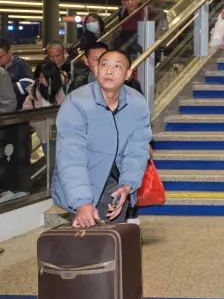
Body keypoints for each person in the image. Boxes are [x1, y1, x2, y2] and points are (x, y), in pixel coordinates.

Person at [51, 50, 152, 227]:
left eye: (117, 66)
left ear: (128, 74)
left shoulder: (137, 103)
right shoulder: (77, 102)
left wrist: (128, 185)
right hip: (83, 180)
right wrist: (82, 202)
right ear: (95, 70)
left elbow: (137, 149)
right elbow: (71, 156)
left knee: (112, 244)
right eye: (104, 65)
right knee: (83, 245)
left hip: (116, 183)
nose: (109, 71)